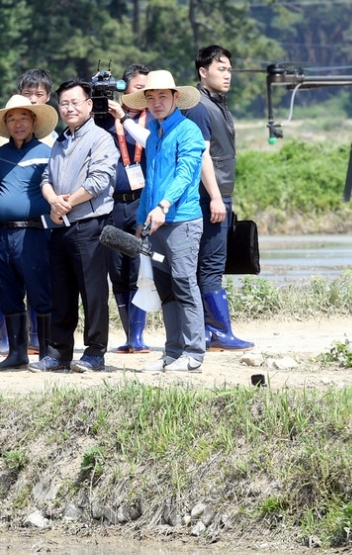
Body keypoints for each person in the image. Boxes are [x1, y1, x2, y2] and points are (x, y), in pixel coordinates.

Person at [29, 80, 119, 373]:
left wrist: (66, 203)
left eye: (74, 102)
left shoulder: (101, 138)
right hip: (60, 227)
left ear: (89, 105)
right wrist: (53, 199)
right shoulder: (60, 140)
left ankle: (95, 353)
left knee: (93, 294)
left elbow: (99, 181)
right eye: (64, 103)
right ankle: (59, 352)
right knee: (62, 293)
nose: (69, 108)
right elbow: (46, 178)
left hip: (90, 226)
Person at [122, 71, 206, 373]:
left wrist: (163, 205)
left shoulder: (188, 131)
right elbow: (152, 180)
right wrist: (142, 219)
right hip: (154, 225)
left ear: (175, 98)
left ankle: (194, 352)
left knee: (184, 283)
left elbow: (185, 175)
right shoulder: (154, 134)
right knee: (165, 287)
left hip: (181, 222)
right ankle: (172, 352)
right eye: (151, 97)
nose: (156, 103)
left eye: (162, 97)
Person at [184, 45, 254, 351]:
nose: (227, 75)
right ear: (203, 71)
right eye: (220, 69)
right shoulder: (200, 104)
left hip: (219, 193)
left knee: (207, 264)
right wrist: (214, 196)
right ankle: (219, 332)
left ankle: (210, 331)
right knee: (211, 265)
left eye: (229, 69)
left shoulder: (216, 102)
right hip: (209, 195)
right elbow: (202, 155)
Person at [0, 95, 58, 369]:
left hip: (35, 233)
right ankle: (17, 352)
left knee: (40, 292)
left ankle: (48, 352)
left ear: (34, 120)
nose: (17, 123)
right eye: (11, 119)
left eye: (23, 117)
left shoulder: (48, 152)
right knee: (7, 290)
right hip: (1, 234)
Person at [102, 64, 151, 354]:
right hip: (112, 204)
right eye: (137, 88)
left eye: (147, 89)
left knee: (138, 267)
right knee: (116, 270)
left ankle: (138, 336)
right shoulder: (105, 122)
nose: (142, 94)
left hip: (140, 202)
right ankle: (128, 338)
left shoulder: (152, 122)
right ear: (124, 90)